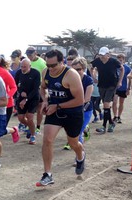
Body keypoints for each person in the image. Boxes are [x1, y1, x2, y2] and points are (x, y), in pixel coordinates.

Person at [36, 50, 86, 187]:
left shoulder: (71, 75)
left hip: (73, 113)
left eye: (54, 65)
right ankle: (47, 174)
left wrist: (57, 105)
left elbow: (80, 100)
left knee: (73, 143)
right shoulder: (45, 72)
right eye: (48, 65)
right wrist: (45, 100)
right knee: (47, 140)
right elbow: (43, 88)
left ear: (62, 62)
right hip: (54, 110)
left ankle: (80, 156)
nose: (50, 69)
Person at [63, 57, 94, 150]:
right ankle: (85, 129)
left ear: (84, 69)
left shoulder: (88, 80)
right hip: (71, 109)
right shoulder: (69, 79)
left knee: (77, 133)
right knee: (71, 131)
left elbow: (87, 98)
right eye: (74, 69)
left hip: (85, 109)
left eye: (79, 69)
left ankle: (79, 158)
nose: (76, 71)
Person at [91, 47, 124, 133]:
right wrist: (93, 77)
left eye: (103, 55)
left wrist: (120, 81)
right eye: (100, 55)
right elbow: (91, 67)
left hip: (112, 85)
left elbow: (122, 69)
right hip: (101, 85)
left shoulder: (113, 61)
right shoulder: (97, 61)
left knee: (106, 104)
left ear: (108, 55)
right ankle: (111, 123)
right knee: (106, 107)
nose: (101, 57)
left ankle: (103, 126)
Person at [0, 53, 19, 143]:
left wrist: (7, 96)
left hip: (6, 105)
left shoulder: (4, 72)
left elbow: (14, 87)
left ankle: (13, 130)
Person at [14, 58, 41, 145]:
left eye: (25, 67)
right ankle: (30, 127)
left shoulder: (36, 73)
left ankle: (33, 135)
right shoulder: (18, 73)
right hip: (22, 96)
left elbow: (35, 88)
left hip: (33, 97)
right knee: (21, 118)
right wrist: (21, 92)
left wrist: (26, 99)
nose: (23, 69)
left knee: (30, 117)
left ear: (30, 66)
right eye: (21, 66)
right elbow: (15, 85)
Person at [26, 46, 46, 135]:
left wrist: (44, 88)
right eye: (27, 55)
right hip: (28, 89)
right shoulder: (27, 62)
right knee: (28, 109)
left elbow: (46, 75)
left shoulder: (42, 63)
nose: (29, 57)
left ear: (35, 53)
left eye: (30, 55)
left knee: (39, 108)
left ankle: (37, 127)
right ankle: (30, 126)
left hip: (39, 88)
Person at [112, 54, 132, 124]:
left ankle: (119, 116)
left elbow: (129, 79)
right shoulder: (114, 67)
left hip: (123, 87)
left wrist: (128, 88)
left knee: (121, 102)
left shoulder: (127, 68)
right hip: (115, 87)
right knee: (114, 102)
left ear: (123, 60)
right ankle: (115, 115)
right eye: (118, 60)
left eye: (121, 60)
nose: (119, 61)